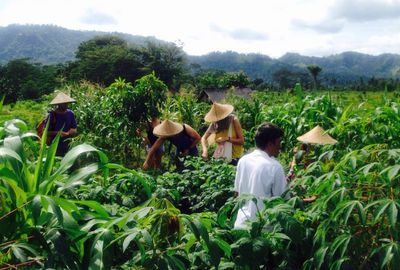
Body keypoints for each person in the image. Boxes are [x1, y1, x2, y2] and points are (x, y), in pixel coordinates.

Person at [234, 123, 287, 229]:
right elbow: (283, 202)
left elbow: (237, 194)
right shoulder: (274, 167)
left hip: (241, 225)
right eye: (279, 142)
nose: (280, 146)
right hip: (263, 230)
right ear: (270, 143)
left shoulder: (243, 160)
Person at [46, 92, 77, 156]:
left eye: (67, 103)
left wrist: (72, 131)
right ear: (59, 104)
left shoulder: (71, 114)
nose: (66, 105)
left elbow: (74, 128)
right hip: (55, 146)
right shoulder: (52, 115)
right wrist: (59, 133)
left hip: (68, 145)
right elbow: (46, 132)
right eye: (64, 104)